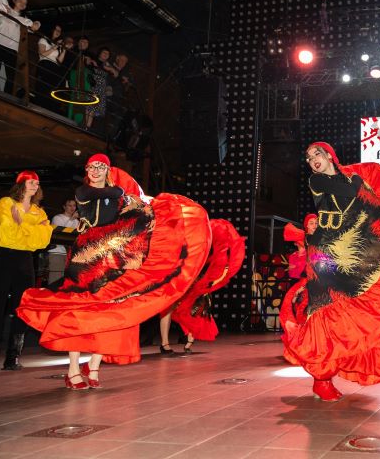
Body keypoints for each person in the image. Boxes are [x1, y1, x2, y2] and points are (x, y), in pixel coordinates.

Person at [17, 154, 211, 390]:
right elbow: (109, 193)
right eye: (92, 167)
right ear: (87, 170)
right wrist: (121, 192)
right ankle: (73, 370)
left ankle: (94, 367)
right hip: (85, 257)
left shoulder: (119, 195)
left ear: (107, 170)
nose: (96, 170)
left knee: (111, 309)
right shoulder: (84, 191)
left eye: (101, 167)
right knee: (78, 308)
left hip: (110, 257)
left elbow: (138, 213)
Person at [280, 141, 380, 401]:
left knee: (350, 312)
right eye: (308, 157)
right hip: (324, 256)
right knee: (324, 310)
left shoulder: (352, 179)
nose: (312, 159)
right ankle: (321, 379)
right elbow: (350, 190)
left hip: (349, 254)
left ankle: (331, 370)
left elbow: (370, 209)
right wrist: (357, 178)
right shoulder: (317, 181)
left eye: (317, 153)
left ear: (329, 155)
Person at [0, 172, 53, 372]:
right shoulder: (6, 203)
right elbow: (6, 232)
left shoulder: (39, 212)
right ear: (21, 184)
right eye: (31, 182)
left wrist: (20, 223)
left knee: (22, 307)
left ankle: (13, 356)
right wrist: (31, 229)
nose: (35, 185)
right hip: (3, 256)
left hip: (25, 260)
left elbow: (43, 240)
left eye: (37, 183)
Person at [159, 219, 246, 354]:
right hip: (175, 274)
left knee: (194, 306)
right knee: (168, 307)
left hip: (193, 277)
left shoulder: (203, 240)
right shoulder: (178, 238)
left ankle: (189, 338)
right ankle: (165, 343)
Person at [0, 0, 39, 93]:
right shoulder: (4, 9)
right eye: (20, 1)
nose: (22, 4)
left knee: (10, 76)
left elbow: (34, 27)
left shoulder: (24, 19)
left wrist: (37, 23)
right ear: (14, 0)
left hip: (11, 48)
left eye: (25, 3)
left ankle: (7, 96)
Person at [35, 25, 72, 111]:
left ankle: (52, 108)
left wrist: (64, 50)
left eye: (60, 31)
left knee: (53, 89)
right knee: (44, 88)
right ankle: (40, 106)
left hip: (55, 67)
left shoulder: (57, 44)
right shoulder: (43, 39)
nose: (58, 32)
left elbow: (59, 61)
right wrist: (55, 47)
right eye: (56, 29)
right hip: (45, 64)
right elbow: (42, 54)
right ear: (51, 30)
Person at [283, 213, 317, 280]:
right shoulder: (302, 236)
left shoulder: (321, 237)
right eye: (311, 223)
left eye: (316, 223)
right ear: (307, 225)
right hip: (305, 270)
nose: (314, 225)